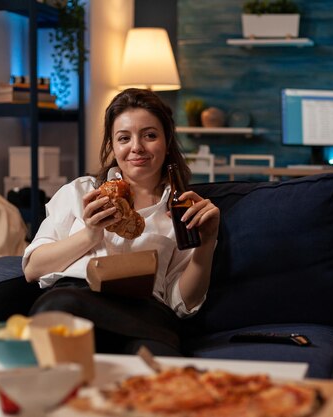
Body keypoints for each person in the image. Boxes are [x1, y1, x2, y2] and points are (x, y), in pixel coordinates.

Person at [22, 88, 220, 355]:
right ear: (113, 147)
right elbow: (33, 268)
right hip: (76, 300)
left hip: (146, 311)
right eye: (124, 138)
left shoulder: (183, 208)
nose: (136, 147)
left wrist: (206, 244)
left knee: (158, 352)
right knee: (58, 306)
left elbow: (182, 303)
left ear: (166, 140)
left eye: (150, 135)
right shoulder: (81, 192)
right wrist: (90, 235)